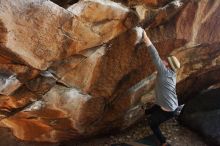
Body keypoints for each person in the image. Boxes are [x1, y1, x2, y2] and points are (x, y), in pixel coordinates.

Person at [142, 29, 181, 146]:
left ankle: (163, 142)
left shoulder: (164, 72)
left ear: (167, 65)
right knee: (153, 109)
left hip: (169, 109)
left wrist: (145, 37)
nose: (163, 60)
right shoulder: (172, 73)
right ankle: (146, 111)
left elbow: (155, 55)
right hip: (171, 104)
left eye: (165, 61)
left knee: (152, 124)